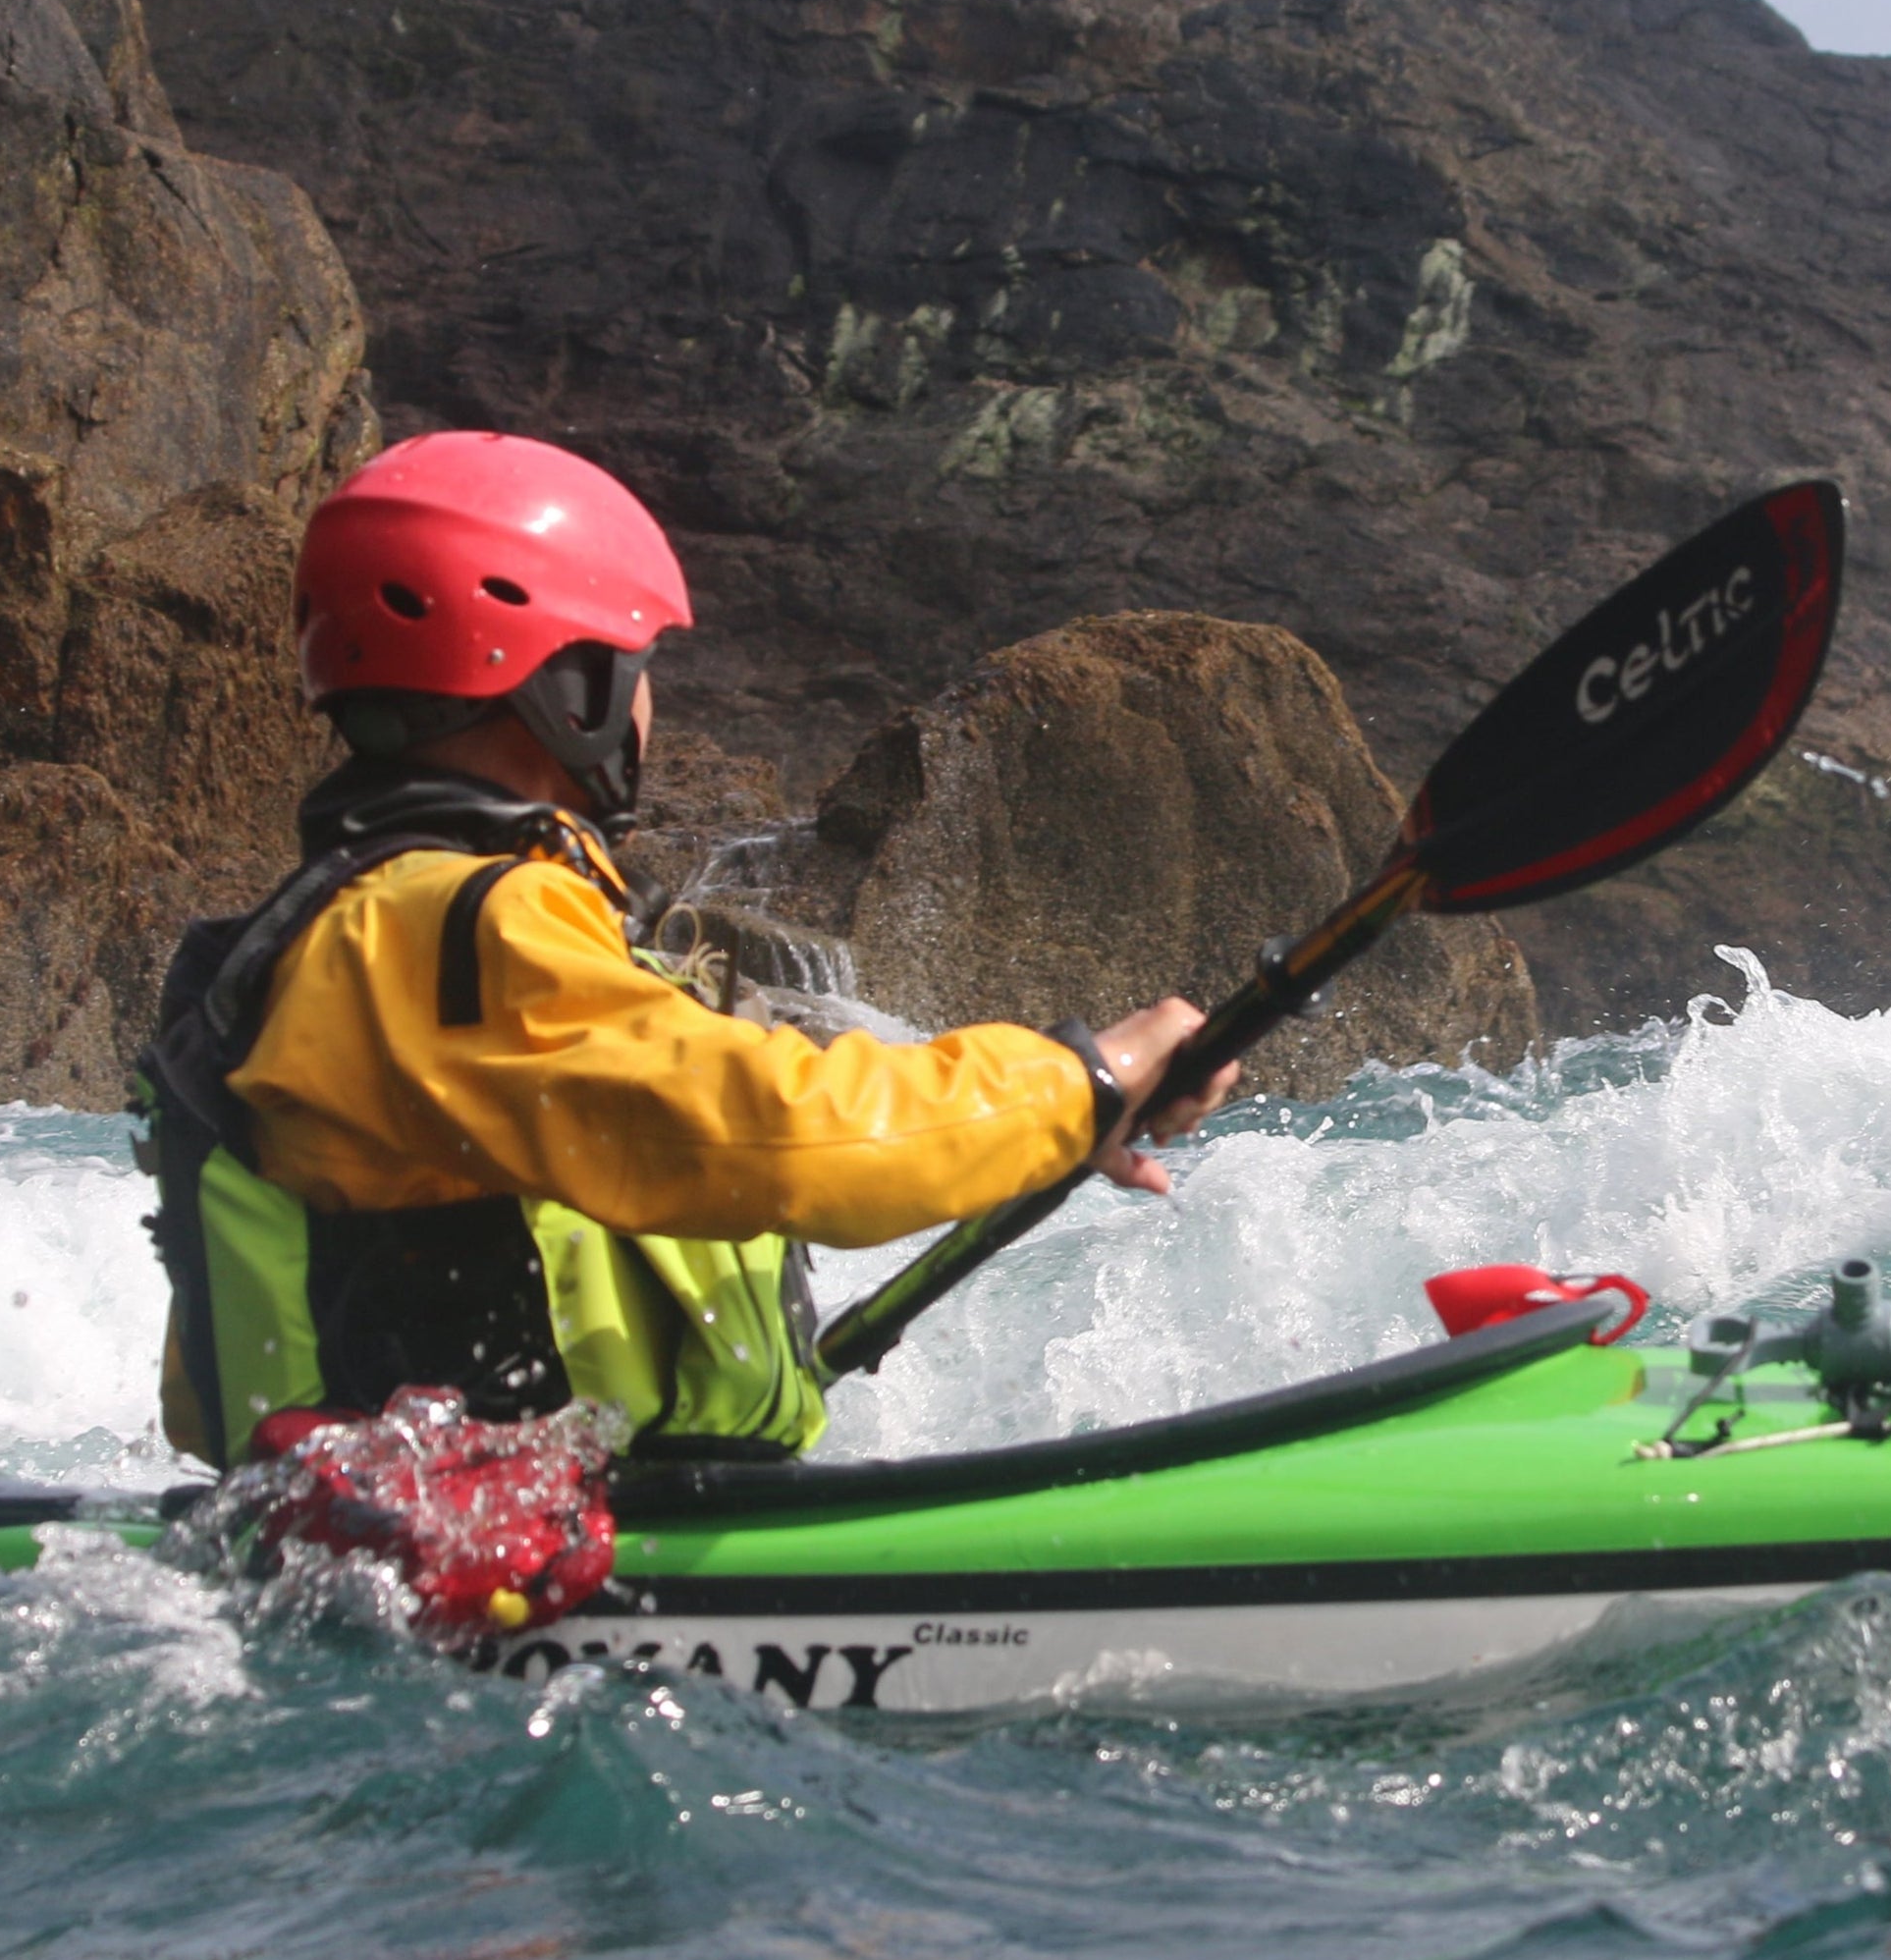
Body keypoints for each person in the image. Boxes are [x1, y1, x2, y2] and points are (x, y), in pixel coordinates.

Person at [137, 429, 1235, 1469]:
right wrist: (1080, 1079)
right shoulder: (462, 926)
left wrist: (1056, 1132)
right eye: (635, 663)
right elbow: (792, 1137)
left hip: (442, 1545)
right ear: (563, 684)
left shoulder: (367, 922)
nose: (648, 703)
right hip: (504, 1576)